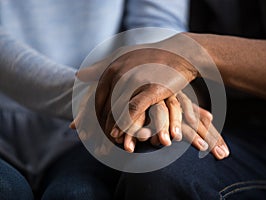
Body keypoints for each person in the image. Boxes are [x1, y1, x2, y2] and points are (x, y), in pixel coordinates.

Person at [77, 0, 266, 199]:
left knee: (162, 176)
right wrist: (163, 101)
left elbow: (175, 53)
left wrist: (196, 52)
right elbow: (162, 40)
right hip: (229, 126)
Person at [0, 0, 194, 199]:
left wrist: (152, 87)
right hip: (95, 114)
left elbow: (157, 22)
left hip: (91, 136)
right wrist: (104, 97)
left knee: (78, 195)